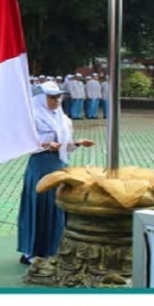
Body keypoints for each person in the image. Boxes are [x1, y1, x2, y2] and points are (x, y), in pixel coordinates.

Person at [17, 81, 95, 264]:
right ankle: (32, 252)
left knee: (58, 205)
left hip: (59, 164)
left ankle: (55, 248)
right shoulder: (32, 118)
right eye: (51, 97)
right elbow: (24, 143)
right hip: (41, 165)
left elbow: (64, 145)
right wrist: (44, 145)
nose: (56, 100)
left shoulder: (62, 118)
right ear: (40, 98)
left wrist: (77, 144)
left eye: (58, 96)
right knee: (40, 205)